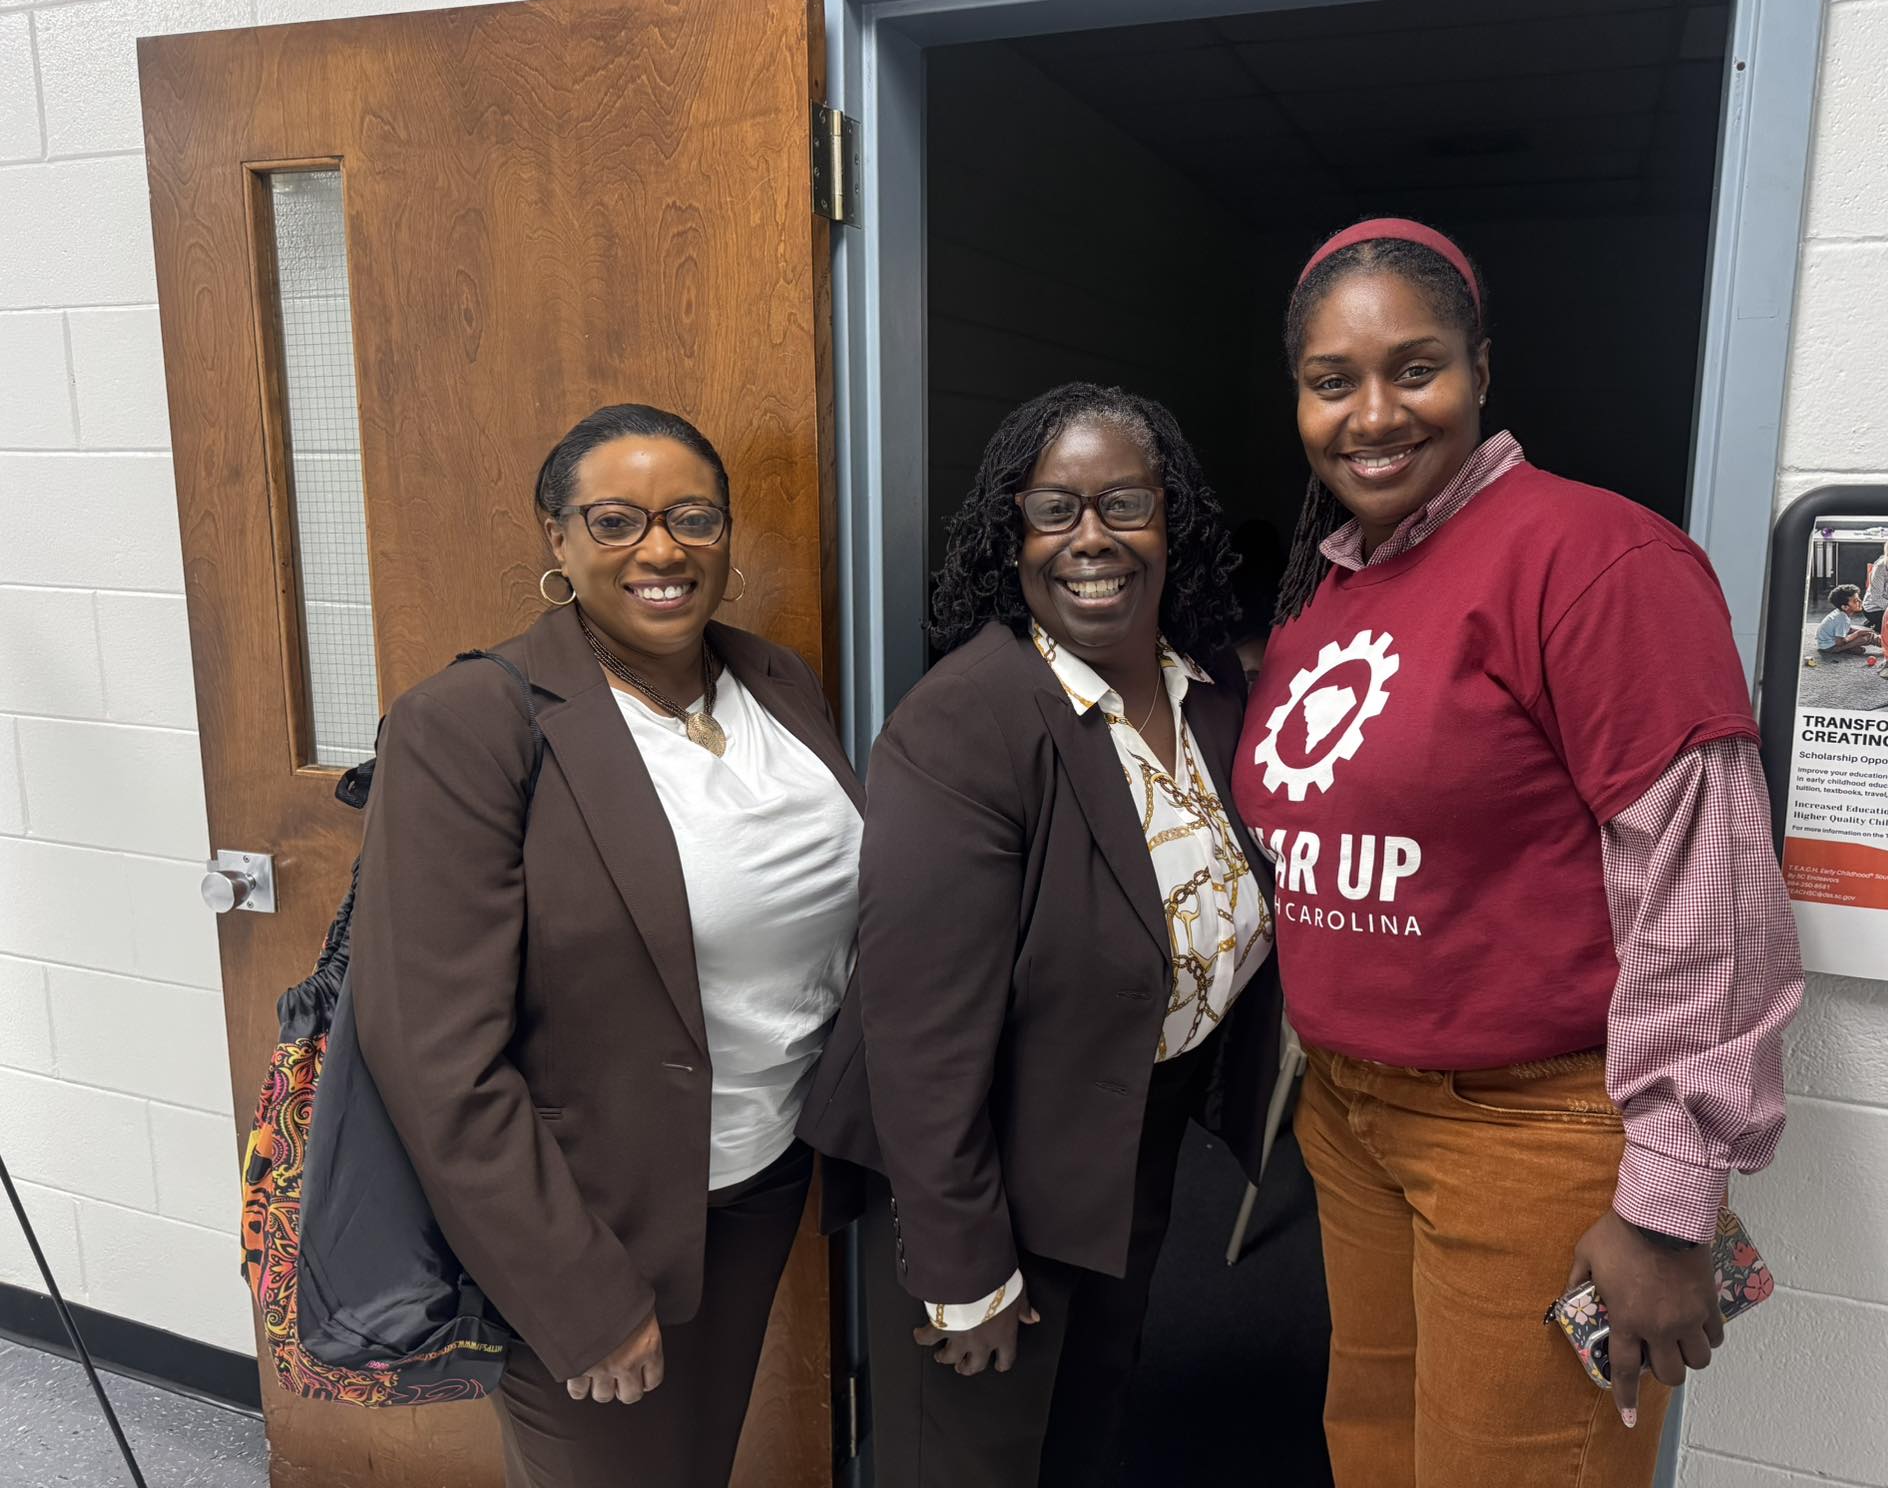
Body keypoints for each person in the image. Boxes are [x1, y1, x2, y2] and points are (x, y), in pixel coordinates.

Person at [1234, 218, 1804, 1488]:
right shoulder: (1327, 589)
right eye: (1331, 382)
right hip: (1352, 1115)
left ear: (1481, 369)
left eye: (1413, 367)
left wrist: (1666, 1203)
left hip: (1528, 1137)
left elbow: (1701, 896)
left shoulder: (1596, 560)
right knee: (1374, 1450)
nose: (1371, 413)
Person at [348, 404, 864, 1488]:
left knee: (697, 1464)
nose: (663, 550)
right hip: (588, 1222)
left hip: (758, 1181)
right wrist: (577, 1297)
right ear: (558, 539)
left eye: (693, 518)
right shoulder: (471, 723)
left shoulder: (775, 681)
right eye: (617, 520)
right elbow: (434, 1055)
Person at [800, 382, 1281, 1488]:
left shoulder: (1209, 695)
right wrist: (962, 1268)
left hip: (1126, 1148)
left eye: (1123, 503)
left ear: (1174, 521)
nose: (1091, 539)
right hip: (983, 1171)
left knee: (1084, 1436)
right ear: (1007, 536)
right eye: (1053, 510)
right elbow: (918, 1035)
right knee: (971, 1461)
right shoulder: (969, 721)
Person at [1815, 584, 1880, 653]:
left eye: (1859, 598)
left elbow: (1848, 629)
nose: (1860, 601)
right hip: (1830, 647)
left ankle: (1850, 648)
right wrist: (1858, 633)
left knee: (1865, 632)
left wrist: (1864, 631)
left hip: (1824, 644)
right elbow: (1839, 642)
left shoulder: (1840, 613)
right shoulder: (1842, 619)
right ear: (1845, 607)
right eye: (1855, 601)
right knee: (1867, 638)